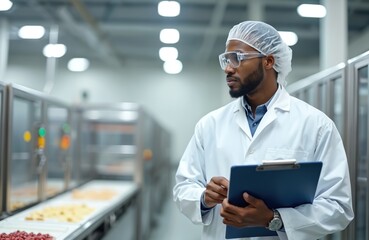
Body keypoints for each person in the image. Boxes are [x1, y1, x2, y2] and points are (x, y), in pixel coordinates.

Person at [172, 20, 354, 240]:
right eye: (226, 60)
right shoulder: (210, 125)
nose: (229, 68)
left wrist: (273, 218)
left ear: (268, 61)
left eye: (237, 58)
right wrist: (204, 197)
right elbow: (183, 188)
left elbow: (339, 208)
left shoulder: (316, 126)